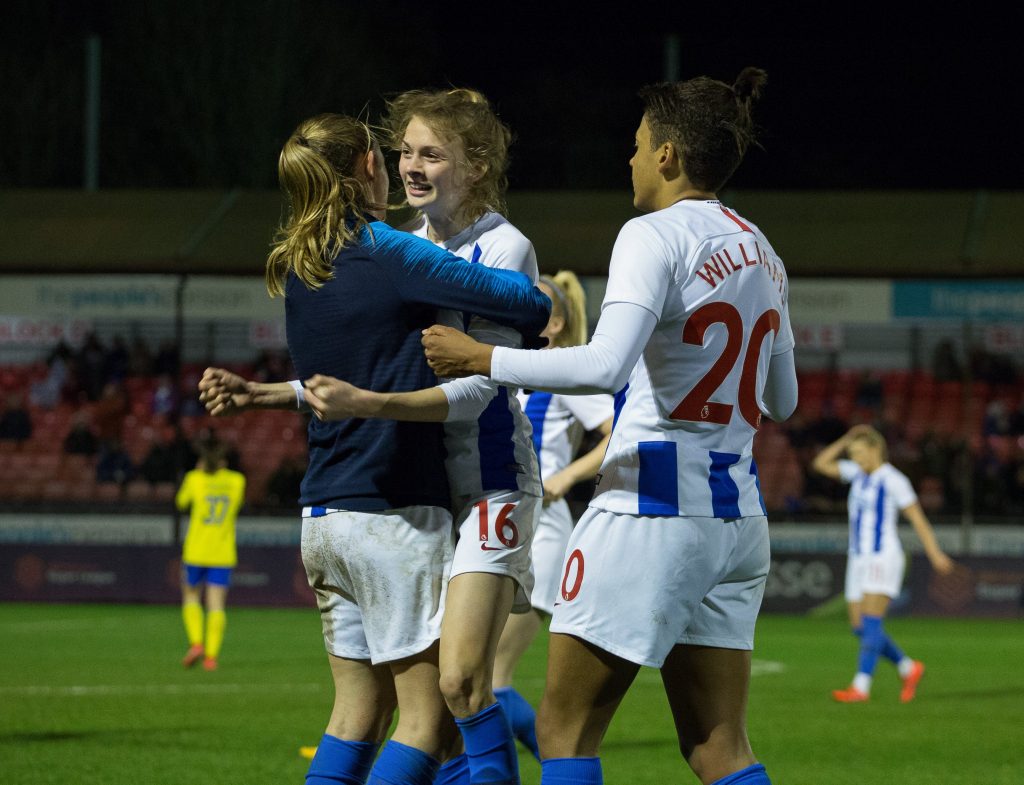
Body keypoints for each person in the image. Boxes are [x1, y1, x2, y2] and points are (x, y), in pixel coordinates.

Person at [421, 68, 797, 785]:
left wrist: (482, 356)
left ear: (668, 155)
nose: (628, 158)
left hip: (649, 508)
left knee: (564, 734)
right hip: (737, 516)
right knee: (720, 749)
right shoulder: (765, 252)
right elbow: (782, 399)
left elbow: (603, 363)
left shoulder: (652, 234)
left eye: (636, 143)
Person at [198, 112, 550, 785]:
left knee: (356, 712)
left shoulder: (300, 266)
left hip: (323, 516)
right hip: (393, 512)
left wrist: (262, 392)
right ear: (367, 166)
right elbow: (525, 304)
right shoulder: (389, 249)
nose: (401, 168)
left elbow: (336, 377)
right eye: (390, 157)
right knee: (430, 722)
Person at [495, 271, 613, 760]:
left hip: (543, 528)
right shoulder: (511, 371)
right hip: (502, 525)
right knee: (471, 677)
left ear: (558, 321)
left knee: (487, 677)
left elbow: (616, 433)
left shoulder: (564, 368)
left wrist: (564, 478)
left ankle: (559, 766)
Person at [811, 424, 955, 703]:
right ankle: (908, 667)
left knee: (871, 622)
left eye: (859, 452)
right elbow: (820, 463)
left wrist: (935, 554)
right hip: (858, 558)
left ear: (876, 450)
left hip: (883, 556)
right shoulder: (856, 474)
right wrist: (846, 438)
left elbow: (918, 520)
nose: (854, 458)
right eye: (852, 453)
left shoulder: (893, 480)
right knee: (858, 626)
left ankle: (861, 686)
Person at [176, 440, 246, 671]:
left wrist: (196, 474)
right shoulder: (236, 481)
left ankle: (196, 643)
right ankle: (211, 657)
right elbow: (238, 504)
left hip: (196, 550)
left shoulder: (194, 479)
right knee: (216, 605)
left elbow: (181, 502)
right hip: (222, 552)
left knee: (191, 597)